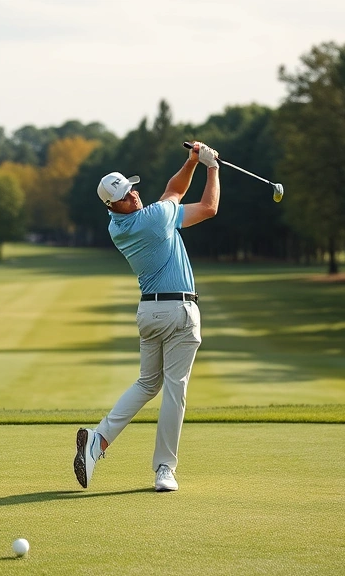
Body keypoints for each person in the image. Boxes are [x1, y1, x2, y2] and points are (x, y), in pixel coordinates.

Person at [74, 142, 220, 492]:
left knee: (147, 383)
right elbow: (207, 205)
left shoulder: (118, 227)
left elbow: (195, 208)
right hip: (179, 312)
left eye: (131, 189)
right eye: (125, 196)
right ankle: (164, 469)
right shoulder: (154, 219)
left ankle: (99, 440)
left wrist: (191, 161)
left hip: (150, 313)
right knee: (175, 390)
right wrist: (210, 167)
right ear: (113, 204)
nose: (133, 196)